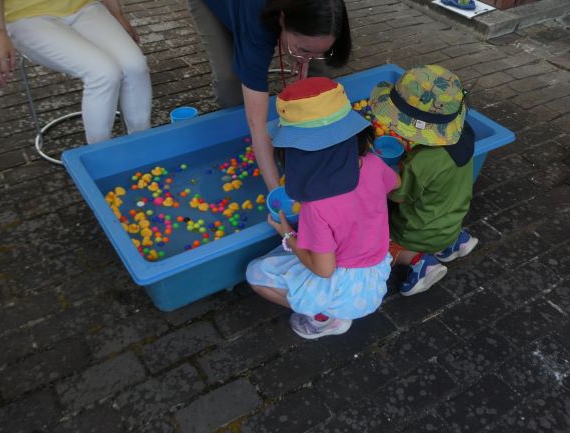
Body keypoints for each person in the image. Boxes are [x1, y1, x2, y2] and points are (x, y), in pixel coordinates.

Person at [246, 77, 401, 340]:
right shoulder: (373, 164)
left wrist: (287, 234)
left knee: (255, 273)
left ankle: (324, 317)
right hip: (375, 276)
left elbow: (324, 270)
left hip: (341, 290)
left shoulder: (315, 206)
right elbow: (396, 184)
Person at [185, 0, 352, 191]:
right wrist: (277, 194)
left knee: (319, 74)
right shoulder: (256, 20)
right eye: (304, 49)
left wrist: (305, 60)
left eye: (321, 50)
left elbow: (311, 54)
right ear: (282, 19)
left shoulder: (328, 9)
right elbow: (257, 123)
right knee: (230, 86)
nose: (307, 57)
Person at [369, 64, 479, 297]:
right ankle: (455, 242)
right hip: (454, 218)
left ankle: (421, 263)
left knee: (378, 244)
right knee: (441, 208)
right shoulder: (465, 134)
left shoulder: (420, 162)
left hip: (418, 231)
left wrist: (386, 172)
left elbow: (397, 195)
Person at [0, 0, 151, 144]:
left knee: (135, 66)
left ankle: (142, 143)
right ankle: (100, 156)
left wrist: (117, 14)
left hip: (85, 7)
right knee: (103, 73)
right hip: (26, 18)